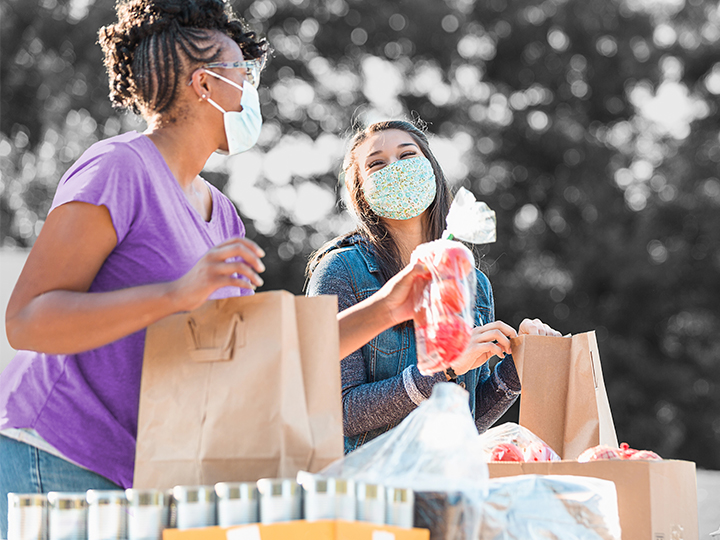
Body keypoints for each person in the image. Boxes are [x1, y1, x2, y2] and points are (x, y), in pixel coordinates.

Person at [0, 2, 426, 535]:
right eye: (242, 75)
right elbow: (27, 321)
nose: (251, 90)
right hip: (54, 449)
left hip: (136, 472)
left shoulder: (222, 216)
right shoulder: (117, 169)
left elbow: (251, 361)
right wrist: (177, 293)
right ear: (204, 84)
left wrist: (388, 308)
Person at [306, 120, 560, 453]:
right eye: (376, 163)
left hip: (443, 487)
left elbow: (466, 419)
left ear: (432, 171)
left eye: (407, 155)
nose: (395, 169)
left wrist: (517, 370)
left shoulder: (474, 284)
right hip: (367, 492)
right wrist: (443, 370)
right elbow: (336, 412)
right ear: (360, 191)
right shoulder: (341, 271)